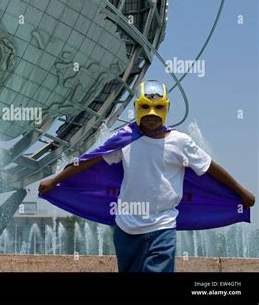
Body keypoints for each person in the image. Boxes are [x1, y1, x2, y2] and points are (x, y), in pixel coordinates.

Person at [39, 80, 255, 272]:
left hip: (163, 225)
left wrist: (241, 192)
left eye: (158, 107)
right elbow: (88, 160)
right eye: (145, 107)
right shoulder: (123, 139)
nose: (152, 113)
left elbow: (209, 167)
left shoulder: (180, 142)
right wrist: (55, 180)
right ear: (136, 108)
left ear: (166, 109)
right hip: (126, 227)